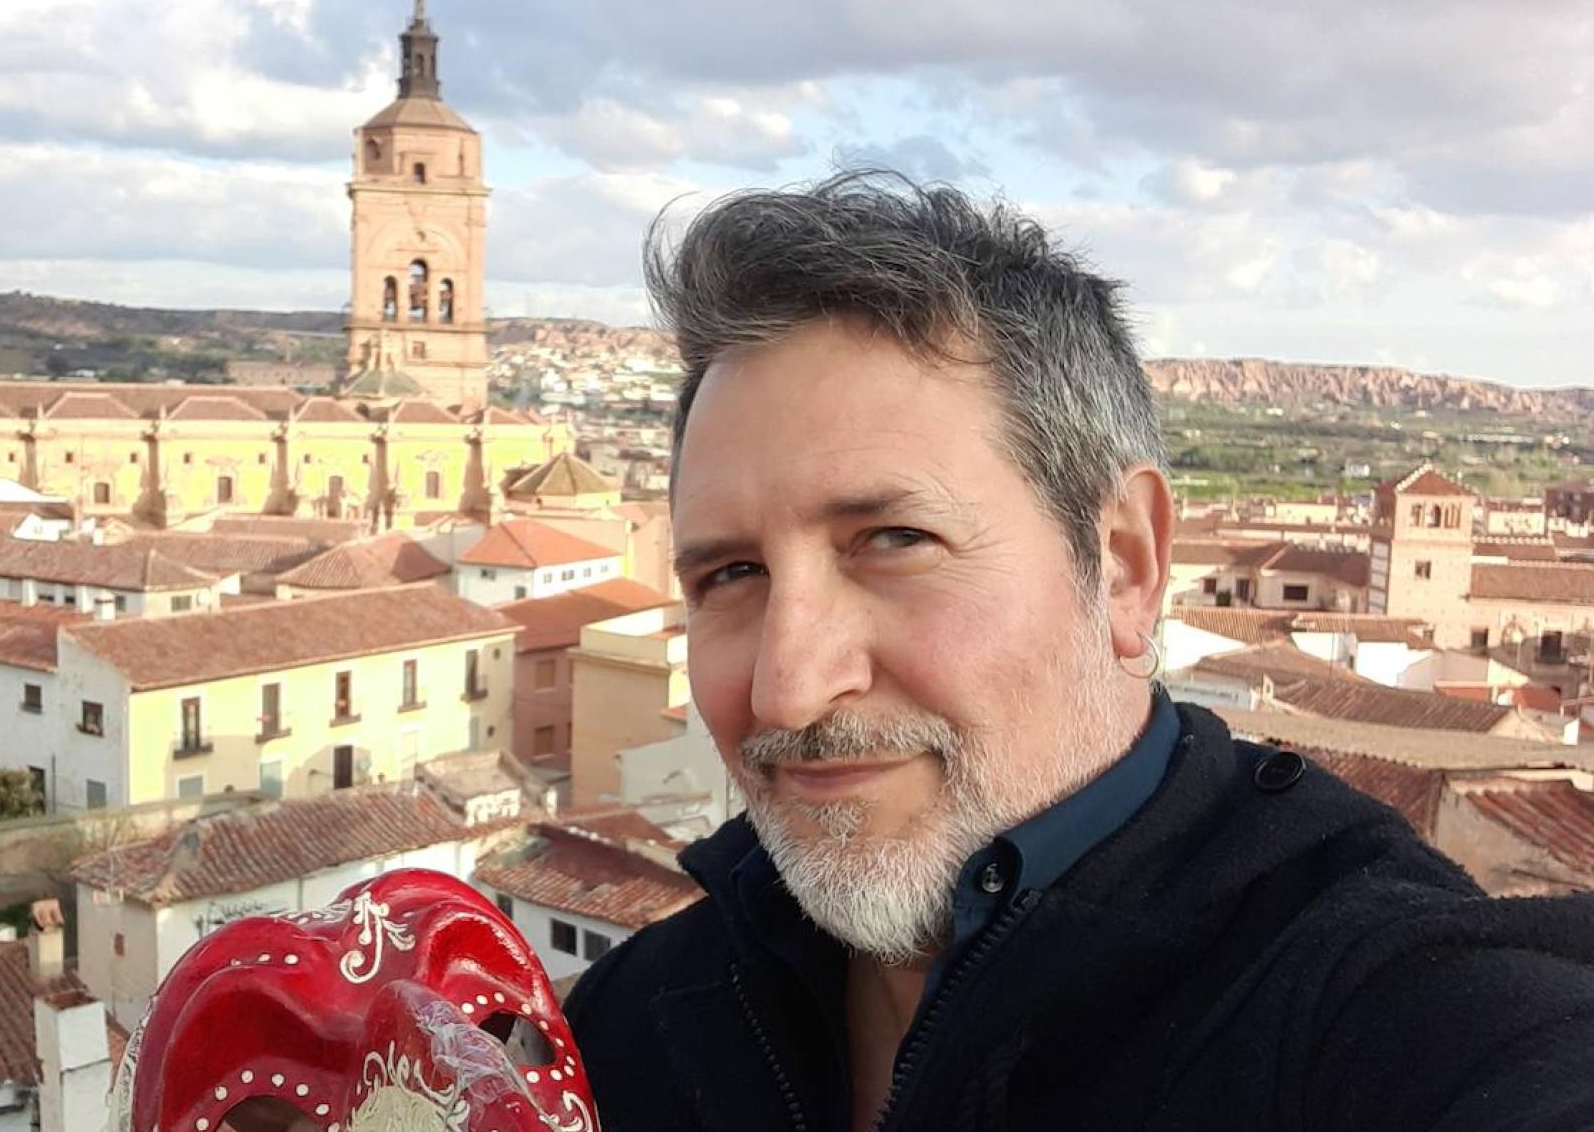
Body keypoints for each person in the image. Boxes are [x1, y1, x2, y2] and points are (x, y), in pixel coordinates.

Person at [562, 173, 1594, 1131]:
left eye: (892, 541)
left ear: (1128, 565)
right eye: (730, 575)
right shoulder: (628, 1029)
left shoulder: (1367, 1008)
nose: (788, 685)